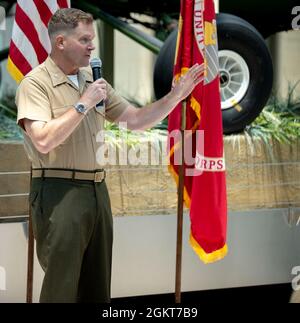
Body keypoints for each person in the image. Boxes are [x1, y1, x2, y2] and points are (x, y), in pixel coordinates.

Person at [16, 8, 203, 303]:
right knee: (61, 289)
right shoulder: (35, 84)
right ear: (61, 42)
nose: (92, 46)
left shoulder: (93, 80)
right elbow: (42, 140)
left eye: (93, 39)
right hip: (58, 191)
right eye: (85, 39)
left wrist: (176, 96)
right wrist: (83, 104)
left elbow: (137, 120)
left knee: (97, 288)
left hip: (97, 191)